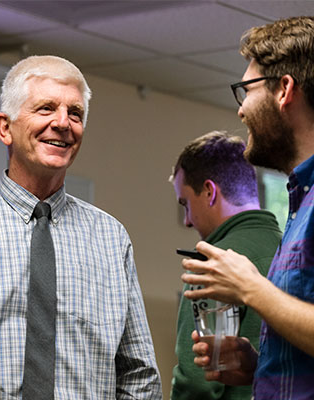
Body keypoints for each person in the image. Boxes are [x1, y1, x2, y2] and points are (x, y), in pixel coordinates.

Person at [0, 55, 162, 399]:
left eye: (74, 113)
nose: (63, 123)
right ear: (5, 127)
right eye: (46, 108)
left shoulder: (111, 238)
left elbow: (139, 373)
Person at [181, 16, 314, 400]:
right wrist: (258, 366)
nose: (240, 111)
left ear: (284, 90)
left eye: (247, 90)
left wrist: (251, 287)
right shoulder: (300, 200)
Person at [169, 131, 282, 400]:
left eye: (186, 204)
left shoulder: (216, 265)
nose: (187, 221)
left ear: (209, 192)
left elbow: (198, 384)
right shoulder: (294, 252)